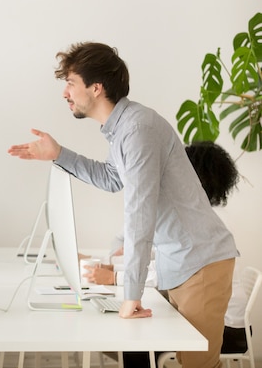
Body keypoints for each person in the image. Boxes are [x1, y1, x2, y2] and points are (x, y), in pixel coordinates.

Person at [8, 42, 239, 368]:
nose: (65, 93)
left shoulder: (138, 130)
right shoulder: (123, 128)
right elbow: (111, 178)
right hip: (184, 266)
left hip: (199, 265)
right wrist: (59, 154)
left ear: (96, 88)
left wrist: (132, 293)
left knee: (200, 366)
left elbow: (139, 211)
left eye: (71, 83)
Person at [83, 141, 245, 367]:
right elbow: (151, 256)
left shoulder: (208, 225)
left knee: (137, 344)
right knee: (135, 332)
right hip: (196, 299)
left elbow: (167, 268)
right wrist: (115, 266)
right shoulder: (183, 214)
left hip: (231, 328)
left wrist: (115, 276)